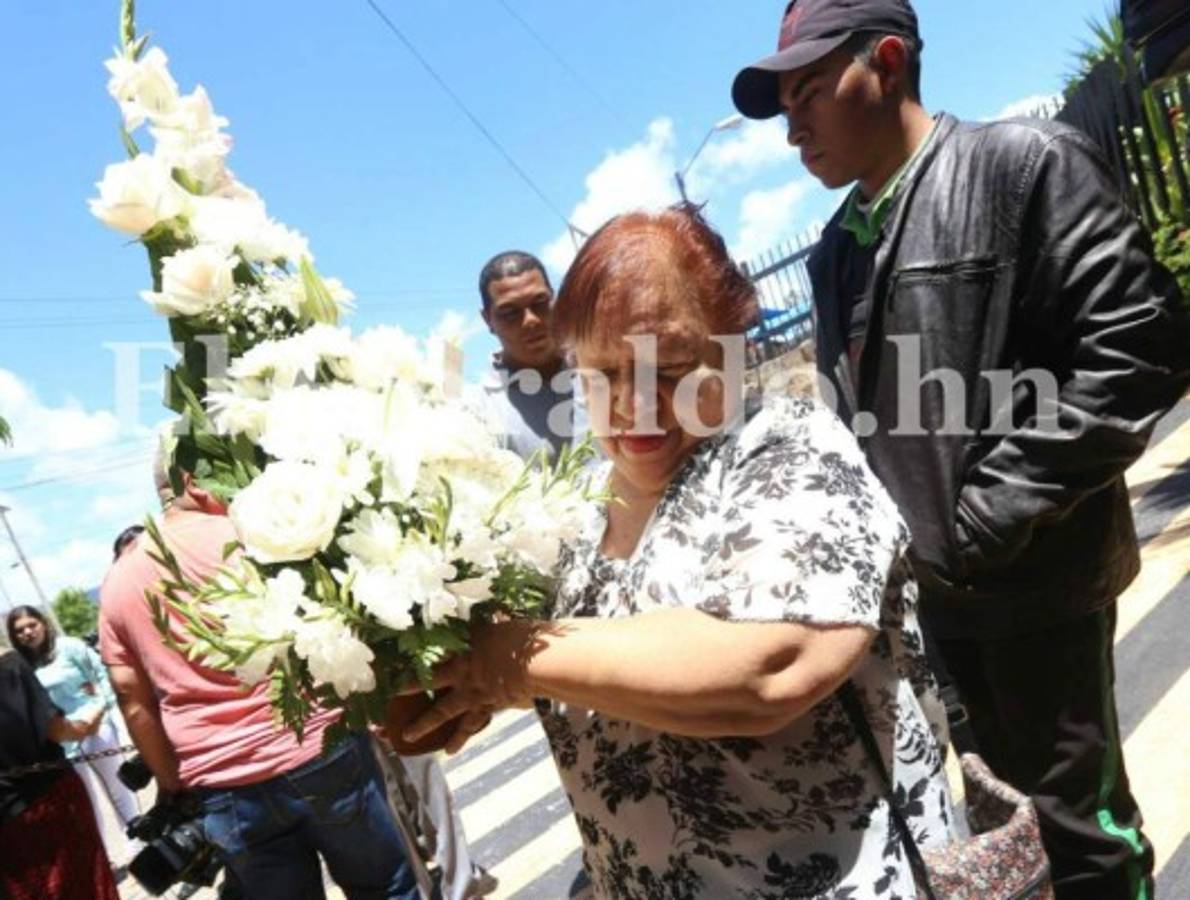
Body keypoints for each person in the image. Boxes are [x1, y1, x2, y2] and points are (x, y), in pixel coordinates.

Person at [730, 2, 1190, 897]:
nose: (794, 131)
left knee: (1081, 830)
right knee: (1000, 829)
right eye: (786, 108)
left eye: (811, 93)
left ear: (890, 61)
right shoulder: (833, 252)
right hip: (931, 604)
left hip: (1035, 580)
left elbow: (1140, 348)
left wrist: (984, 518)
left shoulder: (1022, 167)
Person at [399, 207, 957, 898]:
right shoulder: (577, 514)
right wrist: (453, 682)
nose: (635, 401)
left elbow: (769, 663)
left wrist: (511, 660)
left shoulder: (787, 446)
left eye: (669, 368)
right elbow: (600, 670)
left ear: (732, 345)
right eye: (602, 372)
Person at [98, 465, 421, 900]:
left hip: (224, 782)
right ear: (190, 479)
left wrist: (172, 783)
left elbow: (131, 700)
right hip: (321, 746)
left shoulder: (118, 582)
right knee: (386, 888)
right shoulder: (252, 533)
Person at [6, 605, 142, 869]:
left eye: (31, 625)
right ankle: (101, 857)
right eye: (19, 630)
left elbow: (102, 676)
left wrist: (100, 709)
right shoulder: (21, 667)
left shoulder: (70, 647)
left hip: (96, 725)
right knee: (85, 801)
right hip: (61, 742)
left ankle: (137, 842)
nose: (27, 632)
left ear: (43, 623)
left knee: (118, 787)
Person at [0, 646, 117, 900]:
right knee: (85, 882)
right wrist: (84, 727)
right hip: (51, 800)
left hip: (7, 821)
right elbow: (55, 728)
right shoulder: (9, 665)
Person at [474, 250, 587, 460]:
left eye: (540, 302)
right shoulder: (480, 412)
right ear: (488, 320)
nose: (530, 320)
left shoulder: (606, 369)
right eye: (510, 312)